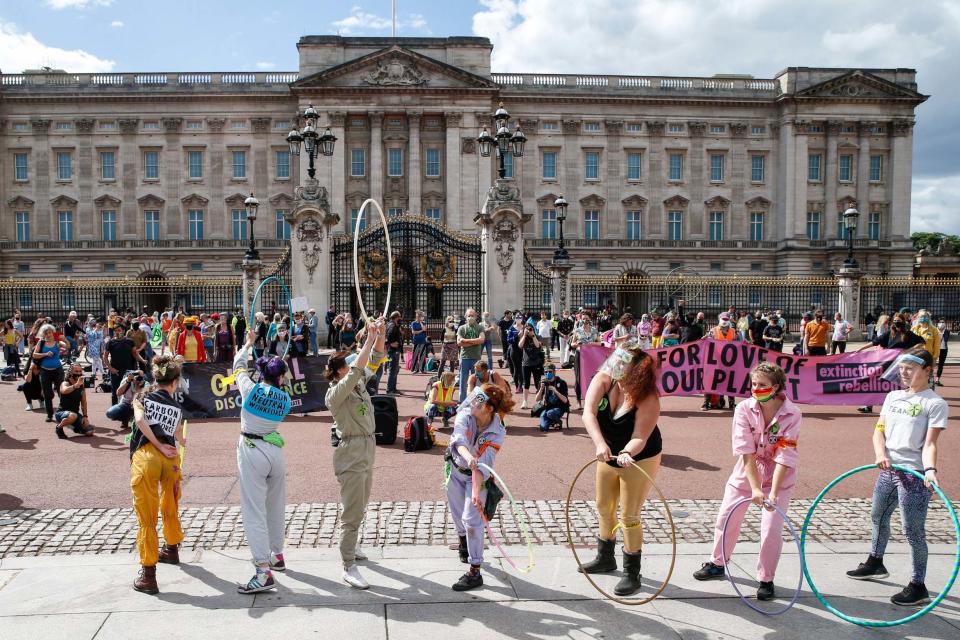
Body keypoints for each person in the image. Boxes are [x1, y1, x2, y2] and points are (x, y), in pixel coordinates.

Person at [845, 347, 948, 606]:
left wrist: (930, 470)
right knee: (878, 516)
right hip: (888, 470)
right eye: (901, 368)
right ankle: (875, 561)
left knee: (912, 531)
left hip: (914, 476)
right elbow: (879, 430)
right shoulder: (892, 397)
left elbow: (930, 444)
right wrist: (881, 453)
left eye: (910, 369)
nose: (903, 373)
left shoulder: (934, 404)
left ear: (927, 371)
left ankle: (918, 584)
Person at [693, 363, 801, 601]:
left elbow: (786, 454)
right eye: (753, 384)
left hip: (777, 476)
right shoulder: (743, 408)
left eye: (762, 385)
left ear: (776, 387)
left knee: (771, 528)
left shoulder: (792, 413)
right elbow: (746, 451)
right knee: (726, 516)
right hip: (747, 471)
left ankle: (766, 579)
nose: (756, 388)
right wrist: (754, 487)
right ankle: (718, 563)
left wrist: (772, 492)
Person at [579, 343, 663, 596]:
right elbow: (588, 413)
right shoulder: (604, 380)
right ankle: (606, 557)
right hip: (607, 452)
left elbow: (640, 436)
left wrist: (627, 452)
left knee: (629, 515)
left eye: (621, 366)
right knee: (604, 506)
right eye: (614, 363)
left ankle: (631, 571)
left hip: (640, 456)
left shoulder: (648, 398)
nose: (613, 369)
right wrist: (599, 443)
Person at [323, 316, 386, 590]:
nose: (351, 365)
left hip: (367, 447)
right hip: (351, 451)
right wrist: (369, 338)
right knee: (351, 511)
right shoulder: (336, 393)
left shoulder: (357, 382)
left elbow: (376, 359)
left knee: (362, 503)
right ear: (338, 371)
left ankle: (354, 546)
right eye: (346, 365)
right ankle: (348, 564)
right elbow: (359, 367)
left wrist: (379, 334)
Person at [233, 329, 293, 594]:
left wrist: (247, 344)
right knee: (276, 504)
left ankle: (262, 569)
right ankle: (277, 555)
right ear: (279, 376)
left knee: (254, 510)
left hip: (251, 448)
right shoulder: (286, 400)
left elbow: (238, 365)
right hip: (275, 450)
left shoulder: (251, 389)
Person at [445, 382, 514, 591]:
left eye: (479, 401)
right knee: (457, 515)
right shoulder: (466, 414)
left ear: (489, 408)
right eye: (474, 397)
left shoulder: (497, 432)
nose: (473, 403)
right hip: (455, 469)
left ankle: (475, 571)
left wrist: (476, 492)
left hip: (478, 477)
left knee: (472, 520)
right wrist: (469, 457)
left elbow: (483, 466)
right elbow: (458, 439)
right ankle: (463, 542)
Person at [129, 354, 187, 595]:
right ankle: (172, 548)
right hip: (171, 458)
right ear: (174, 383)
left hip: (147, 456)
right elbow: (178, 435)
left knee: (147, 516)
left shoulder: (142, 396)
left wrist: (157, 444)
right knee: (171, 503)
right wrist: (172, 443)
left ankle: (148, 575)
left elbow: (140, 421)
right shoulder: (175, 405)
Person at [858, 315, 925, 414]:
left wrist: (910, 350)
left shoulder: (908, 334)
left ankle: (903, 406)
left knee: (900, 384)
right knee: (877, 382)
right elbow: (875, 342)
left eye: (899, 320)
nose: (896, 322)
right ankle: (869, 405)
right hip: (888, 362)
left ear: (903, 321)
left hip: (901, 363)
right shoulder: (889, 333)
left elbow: (922, 341)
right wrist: (860, 349)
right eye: (895, 320)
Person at [31, 324, 68, 423]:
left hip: (57, 370)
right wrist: (45, 354)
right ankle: (50, 414)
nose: (48, 335)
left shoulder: (57, 342)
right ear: (44, 334)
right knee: (47, 394)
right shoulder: (41, 342)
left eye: (49, 333)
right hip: (45, 371)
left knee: (62, 392)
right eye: (46, 333)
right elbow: (34, 355)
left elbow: (68, 346)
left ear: (53, 333)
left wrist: (65, 341)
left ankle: (63, 412)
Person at [703, 313, 737, 411]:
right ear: (720, 319)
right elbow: (707, 342)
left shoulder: (733, 331)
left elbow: (739, 342)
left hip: (729, 361)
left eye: (727, 319)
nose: (725, 321)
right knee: (711, 381)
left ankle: (731, 403)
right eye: (723, 319)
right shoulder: (713, 331)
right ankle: (706, 403)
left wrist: (746, 343)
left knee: (730, 382)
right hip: (715, 361)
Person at [54, 363, 94, 438]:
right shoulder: (65, 383)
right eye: (76, 371)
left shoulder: (81, 385)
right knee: (72, 416)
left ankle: (74, 427)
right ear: (70, 372)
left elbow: (84, 402)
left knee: (89, 431)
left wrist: (85, 416)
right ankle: (59, 428)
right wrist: (75, 385)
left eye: (80, 371)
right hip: (61, 413)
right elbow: (64, 391)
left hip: (74, 413)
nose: (78, 373)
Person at [569, 315, 598, 408]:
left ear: (590, 319)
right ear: (581, 320)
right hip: (580, 356)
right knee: (578, 378)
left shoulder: (594, 330)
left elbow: (600, 342)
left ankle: (588, 401)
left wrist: (592, 343)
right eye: (584, 318)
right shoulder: (577, 330)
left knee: (591, 378)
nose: (585, 320)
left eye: (587, 318)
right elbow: (572, 344)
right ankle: (578, 402)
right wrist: (577, 344)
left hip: (591, 356)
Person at [456, 309, 485, 403]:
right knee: (463, 381)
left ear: (476, 317)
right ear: (465, 317)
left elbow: (481, 340)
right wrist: (474, 342)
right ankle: (462, 401)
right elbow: (459, 342)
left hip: (476, 358)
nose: (470, 317)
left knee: (477, 381)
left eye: (472, 315)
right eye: (469, 316)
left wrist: (466, 340)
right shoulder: (462, 328)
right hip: (464, 358)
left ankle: (477, 401)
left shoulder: (480, 327)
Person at [535, 362, 569, 431]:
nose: (548, 373)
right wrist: (541, 389)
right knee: (543, 428)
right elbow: (537, 399)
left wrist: (555, 391)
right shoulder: (543, 382)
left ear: (554, 372)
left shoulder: (561, 382)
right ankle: (552, 421)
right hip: (547, 407)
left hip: (559, 407)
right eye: (546, 372)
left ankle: (558, 421)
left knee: (550, 413)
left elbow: (565, 400)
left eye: (550, 371)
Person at [518, 322, 544, 410]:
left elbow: (537, 345)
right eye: (527, 329)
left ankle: (539, 401)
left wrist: (533, 336)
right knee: (526, 383)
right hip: (526, 363)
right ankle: (524, 401)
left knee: (538, 382)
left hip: (536, 363)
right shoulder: (523, 337)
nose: (529, 330)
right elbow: (520, 345)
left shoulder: (538, 337)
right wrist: (525, 335)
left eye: (530, 329)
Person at [384, 311, 403, 395]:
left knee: (395, 370)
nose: (400, 319)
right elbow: (388, 336)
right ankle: (390, 390)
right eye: (399, 317)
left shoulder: (391, 324)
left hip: (394, 350)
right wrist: (391, 343)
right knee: (392, 370)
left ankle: (393, 388)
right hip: (393, 351)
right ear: (396, 317)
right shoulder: (392, 325)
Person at [84, 320, 106, 385]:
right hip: (92, 346)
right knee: (98, 359)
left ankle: (93, 374)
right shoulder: (88, 329)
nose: (94, 324)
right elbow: (91, 336)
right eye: (93, 322)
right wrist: (96, 329)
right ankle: (103, 373)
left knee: (95, 361)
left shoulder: (94, 328)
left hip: (97, 346)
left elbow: (101, 337)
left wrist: (101, 329)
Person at [935, 318, 949, 386]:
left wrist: (942, 333)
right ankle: (929, 379)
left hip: (944, 349)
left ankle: (937, 379)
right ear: (938, 323)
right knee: (932, 363)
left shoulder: (947, 331)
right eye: (940, 322)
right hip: (935, 349)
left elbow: (946, 339)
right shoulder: (934, 330)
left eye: (943, 322)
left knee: (941, 365)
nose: (942, 323)